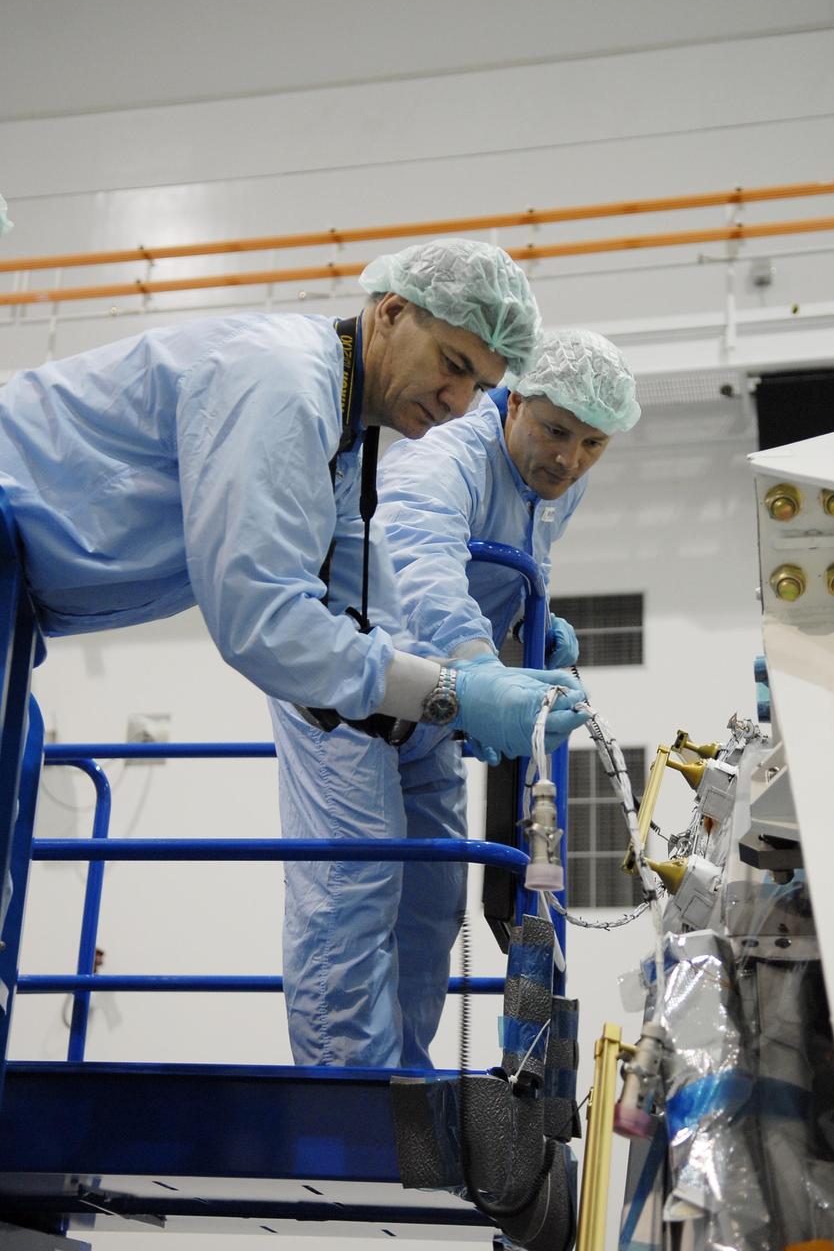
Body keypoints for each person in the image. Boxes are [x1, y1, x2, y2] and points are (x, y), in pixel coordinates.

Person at [0, 236, 587, 756]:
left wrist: (477, 684)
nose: (458, 403)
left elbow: (367, 614)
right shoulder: (285, 380)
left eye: (479, 386)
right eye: (452, 364)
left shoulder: (345, 434)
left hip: (19, 605)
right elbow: (263, 619)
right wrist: (454, 694)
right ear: (392, 310)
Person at [270, 327, 640, 1068]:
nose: (568, 458)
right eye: (555, 430)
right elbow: (422, 561)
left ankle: (402, 1087)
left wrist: (526, 627)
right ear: (512, 400)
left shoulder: (555, 479)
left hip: (440, 708)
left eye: (592, 443)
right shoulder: (446, 459)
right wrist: (481, 665)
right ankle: (347, 1106)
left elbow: (510, 563)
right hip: (355, 699)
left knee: (433, 906)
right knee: (357, 891)